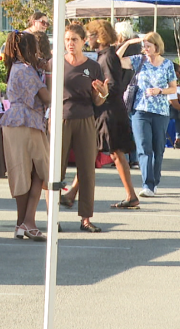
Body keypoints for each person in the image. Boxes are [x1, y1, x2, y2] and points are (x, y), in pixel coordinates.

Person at [0, 31, 50, 240]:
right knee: (40, 170)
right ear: (28, 49)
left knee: (22, 173)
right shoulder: (26, 70)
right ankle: (28, 222)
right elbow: (47, 97)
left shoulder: (15, 68)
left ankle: (22, 223)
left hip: (14, 121)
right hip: (27, 121)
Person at [58, 23, 109, 233]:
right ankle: (53, 218)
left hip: (86, 119)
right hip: (61, 119)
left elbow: (98, 101)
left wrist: (103, 93)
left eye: (75, 40)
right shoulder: (57, 64)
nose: (70, 44)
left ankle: (86, 219)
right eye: (67, 39)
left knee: (87, 169)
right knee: (55, 171)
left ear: (83, 41)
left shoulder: (93, 66)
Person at [84, 20, 139, 210]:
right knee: (95, 153)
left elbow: (114, 85)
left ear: (99, 36)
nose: (87, 40)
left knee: (113, 154)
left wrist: (101, 91)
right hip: (107, 110)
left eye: (90, 35)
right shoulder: (104, 55)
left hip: (109, 111)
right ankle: (73, 192)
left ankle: (131, 195)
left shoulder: (107, 57)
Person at [117, 32, 177, 198]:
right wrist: (129, 42)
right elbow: (115, 60)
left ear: (157, 47)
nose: (146, 48)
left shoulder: (167, 65)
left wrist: (160, 91)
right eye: (145, 46)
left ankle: (154, 180)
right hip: (140, 110)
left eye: (149, 46)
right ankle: (147, 184)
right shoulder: (139, 60)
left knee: (158, 148)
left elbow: (173, 88)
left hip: (160, 112)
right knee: (144, 147)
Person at [115, 20, 141, 168]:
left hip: (124, 89)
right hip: (133, 87)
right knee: (131, 125)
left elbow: (116, 59)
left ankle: (126, 157)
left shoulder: (124, 48)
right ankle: (133, 158)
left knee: (125, 125)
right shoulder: (137, 46)